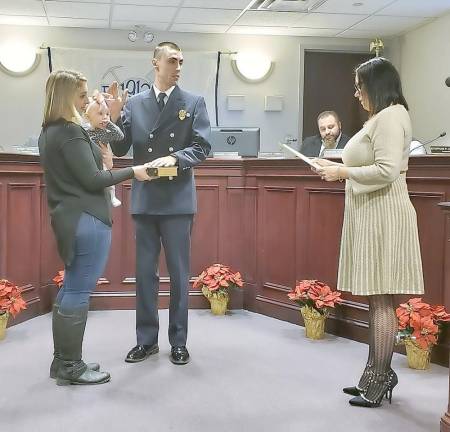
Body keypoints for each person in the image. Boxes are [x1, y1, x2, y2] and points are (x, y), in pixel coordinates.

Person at [314, 57, 424, 407]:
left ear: (376, 84)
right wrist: (334, 167)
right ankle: (375, 373)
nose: (357, 92)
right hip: (371, 213)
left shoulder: (391, 116)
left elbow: (388, 170)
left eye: (360, 85)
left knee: (381, 298)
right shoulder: (380, 117)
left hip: (385, 214)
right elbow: (366, 162)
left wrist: (342, 174)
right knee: (378, 297)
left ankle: (380, 378)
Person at [39, 70, 151, 386]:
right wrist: (135, 171)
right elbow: (93, 179)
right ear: (64, 97)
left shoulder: (53, 131)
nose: (88, 100)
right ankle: (71, 366)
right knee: (76, 290)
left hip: (70, 218)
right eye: (82, 95)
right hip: (86, 218)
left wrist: (108, 112)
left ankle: (63, 361)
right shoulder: (72, 133)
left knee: (71, 287)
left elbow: (110, 136)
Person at [109, 41, 211, 365]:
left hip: (178, 200)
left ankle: (178, 341)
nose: (178, 67)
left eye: (181, 61)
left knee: (180, 275)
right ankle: (146, 340)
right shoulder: (136, 103)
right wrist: (112, 120)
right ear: (156, 63)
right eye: (172, 61)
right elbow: (122, 147)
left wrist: (173, 159)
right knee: (144, 275)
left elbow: (201, 147)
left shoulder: (193, 102)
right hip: (145, 199)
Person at [84, 94, 123, 207]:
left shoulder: (104, 132)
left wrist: (109, 122)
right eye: (100, 114)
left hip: (102, 162)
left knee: (107, 174)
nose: (104, 117)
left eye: (107, 114)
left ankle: (112, 195)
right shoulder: (84, 130)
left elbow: (119, 136)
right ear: (88, 117)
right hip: (88, 161)